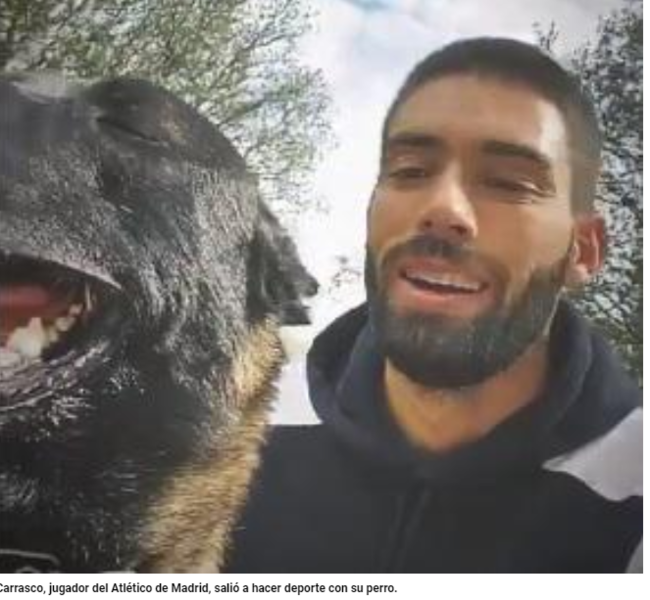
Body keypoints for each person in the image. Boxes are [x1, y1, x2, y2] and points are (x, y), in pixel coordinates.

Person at [225, 37, 642, 573]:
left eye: (509, 182)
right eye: (410, 171)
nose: (443, 208)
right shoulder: (229, 423)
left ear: (582, 250)